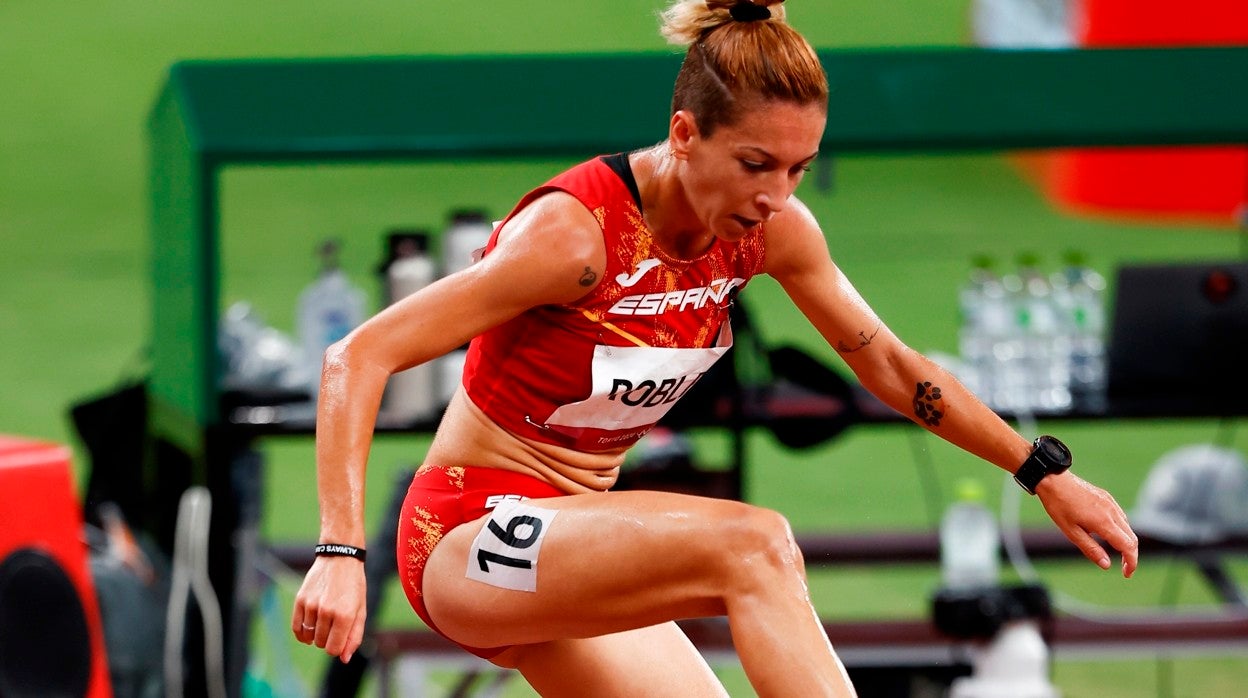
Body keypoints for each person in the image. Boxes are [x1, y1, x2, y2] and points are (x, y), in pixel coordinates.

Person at [292, 1, 1140, 695]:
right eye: (755, 163)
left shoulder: (767, 234)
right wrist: (338, 553)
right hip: (465, 537)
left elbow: (888, 363)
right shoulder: (577, 237)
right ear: (685, 132)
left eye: (800, 170)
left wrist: (1040, 470)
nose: (775, 195)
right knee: (757, 545)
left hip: (570, 544)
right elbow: (355, 357)